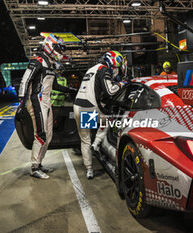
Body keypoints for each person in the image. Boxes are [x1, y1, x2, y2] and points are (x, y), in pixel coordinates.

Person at [18, 34, 77, 179]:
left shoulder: (50, 63)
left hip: (46, 102)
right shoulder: (38, 61)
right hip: (36, 101)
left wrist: (72, 90)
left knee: (48, 136)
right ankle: (34, 167)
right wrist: (21, 101)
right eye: (59, 48)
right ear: (51, 46)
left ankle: (39, 163)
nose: (61, 52)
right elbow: (25, 80)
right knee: (41, 135)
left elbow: (55, 85)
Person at [73, 50, 126, 179]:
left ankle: (89, 170)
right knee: (108, 119)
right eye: (117, 68)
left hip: (78, 106)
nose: (117, 71)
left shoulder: (92, 69)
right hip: (90, 108)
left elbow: (95, 90)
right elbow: (110, 91)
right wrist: (122, 84)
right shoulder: (104, 69)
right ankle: (96, 143)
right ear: (113, 63)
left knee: (84, 140)